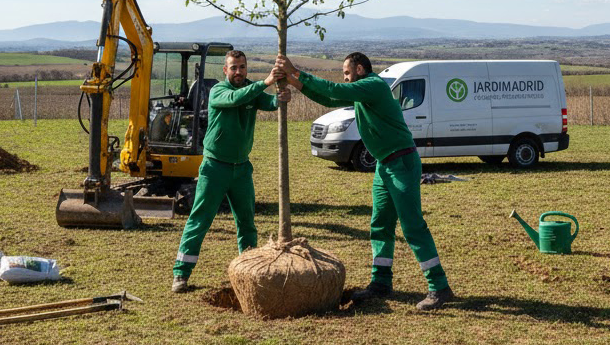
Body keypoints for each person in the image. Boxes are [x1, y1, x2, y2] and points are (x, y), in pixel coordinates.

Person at [275, 52, 456, 311]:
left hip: (402, 163)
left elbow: (335, 91)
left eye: (347, 73)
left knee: (413, 226)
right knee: (380, 224)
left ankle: (439, 287)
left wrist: (297, 72)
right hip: (385, 165)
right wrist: (295, 83)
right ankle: (381, 282)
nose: (345, 78)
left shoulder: (372, 85)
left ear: (360, 69)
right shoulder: (363, 92)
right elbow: (328, 98)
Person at [172, 50, 290, 292]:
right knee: (200, 219)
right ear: (225, 71)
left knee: (247, 223)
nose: (238, 72)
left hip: (242, 169)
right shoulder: (218, 91)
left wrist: (280, 98)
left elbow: (266, 102)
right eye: (234, 67)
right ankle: (181, 274)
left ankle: (248, 272)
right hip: (215, 167)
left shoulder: (251, 89)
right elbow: (236, 99)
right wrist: (266, 82)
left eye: (242, 67)